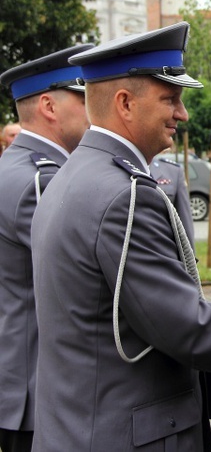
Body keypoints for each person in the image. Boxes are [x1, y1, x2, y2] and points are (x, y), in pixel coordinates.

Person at [29, 22, 211, 452]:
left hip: (81, 425)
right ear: (124, 103)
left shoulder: (71, 177)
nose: (183, 113)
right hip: (125, 433)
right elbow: (181, 326)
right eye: (170, 99)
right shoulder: (126, 194)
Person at [0, 44, 92, 452]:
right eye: (85, 96)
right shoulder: (43, 180)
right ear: (49, 106)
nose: (95, 107)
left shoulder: (11, 167)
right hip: (38, 394)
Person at [150, 154, 194, 245]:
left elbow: (184, 222)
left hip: (163, 253)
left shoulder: (173, 171)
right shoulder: (114, 168)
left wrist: (190, 257)